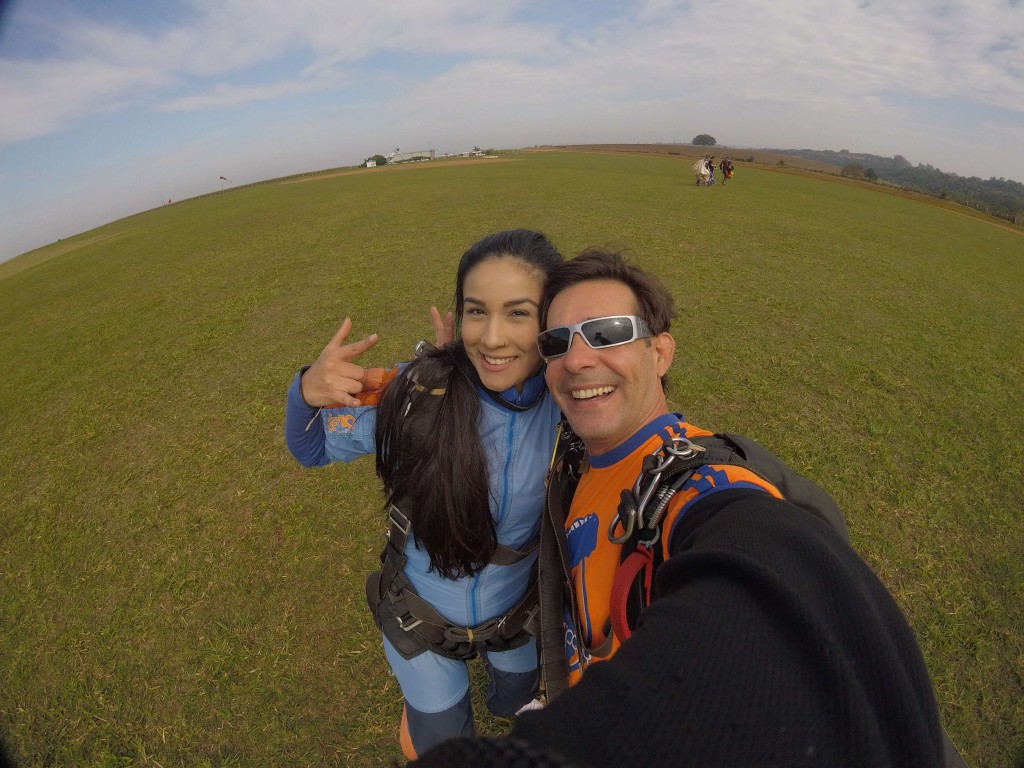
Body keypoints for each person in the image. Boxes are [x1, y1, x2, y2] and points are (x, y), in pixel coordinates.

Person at [410, 249, 949, 766]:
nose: (577, 359)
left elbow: (773, 567)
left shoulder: (695, 483)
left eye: (608, 334)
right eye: (558, 341)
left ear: (661, 352)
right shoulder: (579, 452)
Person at [285, 230, 564, 758]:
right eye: (477, 312)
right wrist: (304, 391)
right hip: (419, 618)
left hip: (519, 618)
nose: (493, 338)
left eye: (520, 314)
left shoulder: (572, 409)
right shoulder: (420, 398)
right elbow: (311, 446)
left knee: (515, 701)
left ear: (552, 319)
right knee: (442, 740)